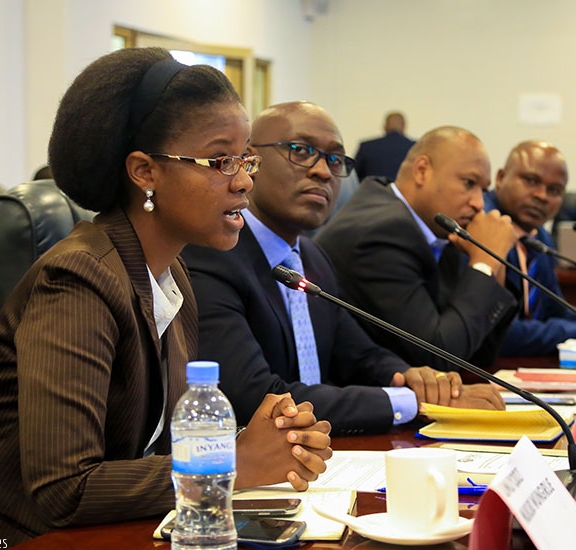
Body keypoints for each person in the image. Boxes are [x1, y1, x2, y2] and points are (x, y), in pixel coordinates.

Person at [0, 48, 332, 545]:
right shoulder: (77, 280)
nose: (244, 179)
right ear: (144, 171)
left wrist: (262, 445)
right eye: (221, 160)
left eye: (246, 156)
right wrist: (234, 463)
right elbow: (62, 490)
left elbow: (156, 446)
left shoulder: (172, 275)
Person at [181, 102, 504, 436]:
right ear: (250, 161)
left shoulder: (311, 255)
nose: (322, 171)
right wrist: (410, 402)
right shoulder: (211, 253)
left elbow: (360, 354)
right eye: (301, 150)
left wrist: (411, 378)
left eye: (335, 160)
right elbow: (257, 397)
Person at [316, 126, 519, 370]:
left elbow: (476, 360)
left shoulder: (439, 229)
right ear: (422, 171)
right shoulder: (382, 232)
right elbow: (439, 358)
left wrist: (494, 269)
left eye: (483, 190)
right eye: (469, 183)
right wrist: (484, 264)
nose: (478, 203)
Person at [484, 141, 576, 356]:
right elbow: (496, 333)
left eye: (554, 190)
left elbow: (555, 311)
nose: (542, 196)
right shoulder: (481, 228)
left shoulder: (540, 237)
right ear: (500, 178)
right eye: (531, 181)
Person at [353, 111, 415, 181]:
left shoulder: (366, 147)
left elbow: (353, 176)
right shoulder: (415, 147)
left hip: (372, 191)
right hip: (404, 191)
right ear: (404, 127)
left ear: (385, 127)